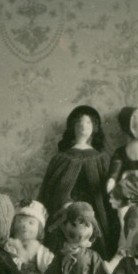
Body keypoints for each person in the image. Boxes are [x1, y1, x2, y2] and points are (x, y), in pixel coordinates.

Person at [36, 105, 119, 258]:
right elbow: (49, 191)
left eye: (88, 123)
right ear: (72, 127)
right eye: (79, 122)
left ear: (95, 128)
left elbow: (107, 193)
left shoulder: (102, 158)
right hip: (65, 214)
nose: (83, 126)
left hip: (94, 216)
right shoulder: (61, 158)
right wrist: (66, 202)